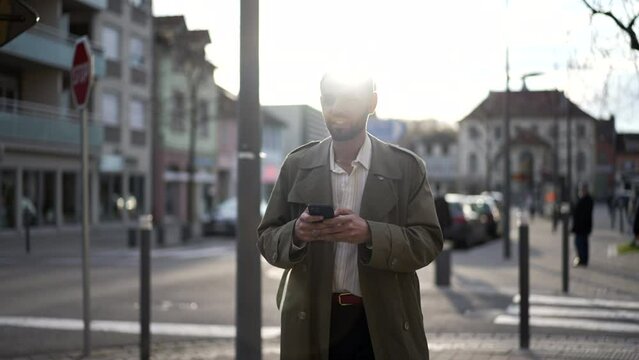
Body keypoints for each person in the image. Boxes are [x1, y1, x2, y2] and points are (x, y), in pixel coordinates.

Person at [257, 69, 443, 359]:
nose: (337, 108)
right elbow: (267, 238)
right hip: (311, 322)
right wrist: (296, 233)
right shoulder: (297, 165)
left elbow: (427, 242)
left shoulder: (406, 168)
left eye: (350, 99)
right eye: (330, 99)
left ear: (372, 103)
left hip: (383, 324)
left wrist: (369, 233)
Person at [571, 183, 594, 267]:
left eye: (582, 189)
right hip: (580, 227)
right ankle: (581, 259)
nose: (581, 191)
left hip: (582, 227)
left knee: (580, 243)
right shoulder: (582, 199)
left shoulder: (587, 200)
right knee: (580, 243)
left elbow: (584, 214)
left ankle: (583, 260)